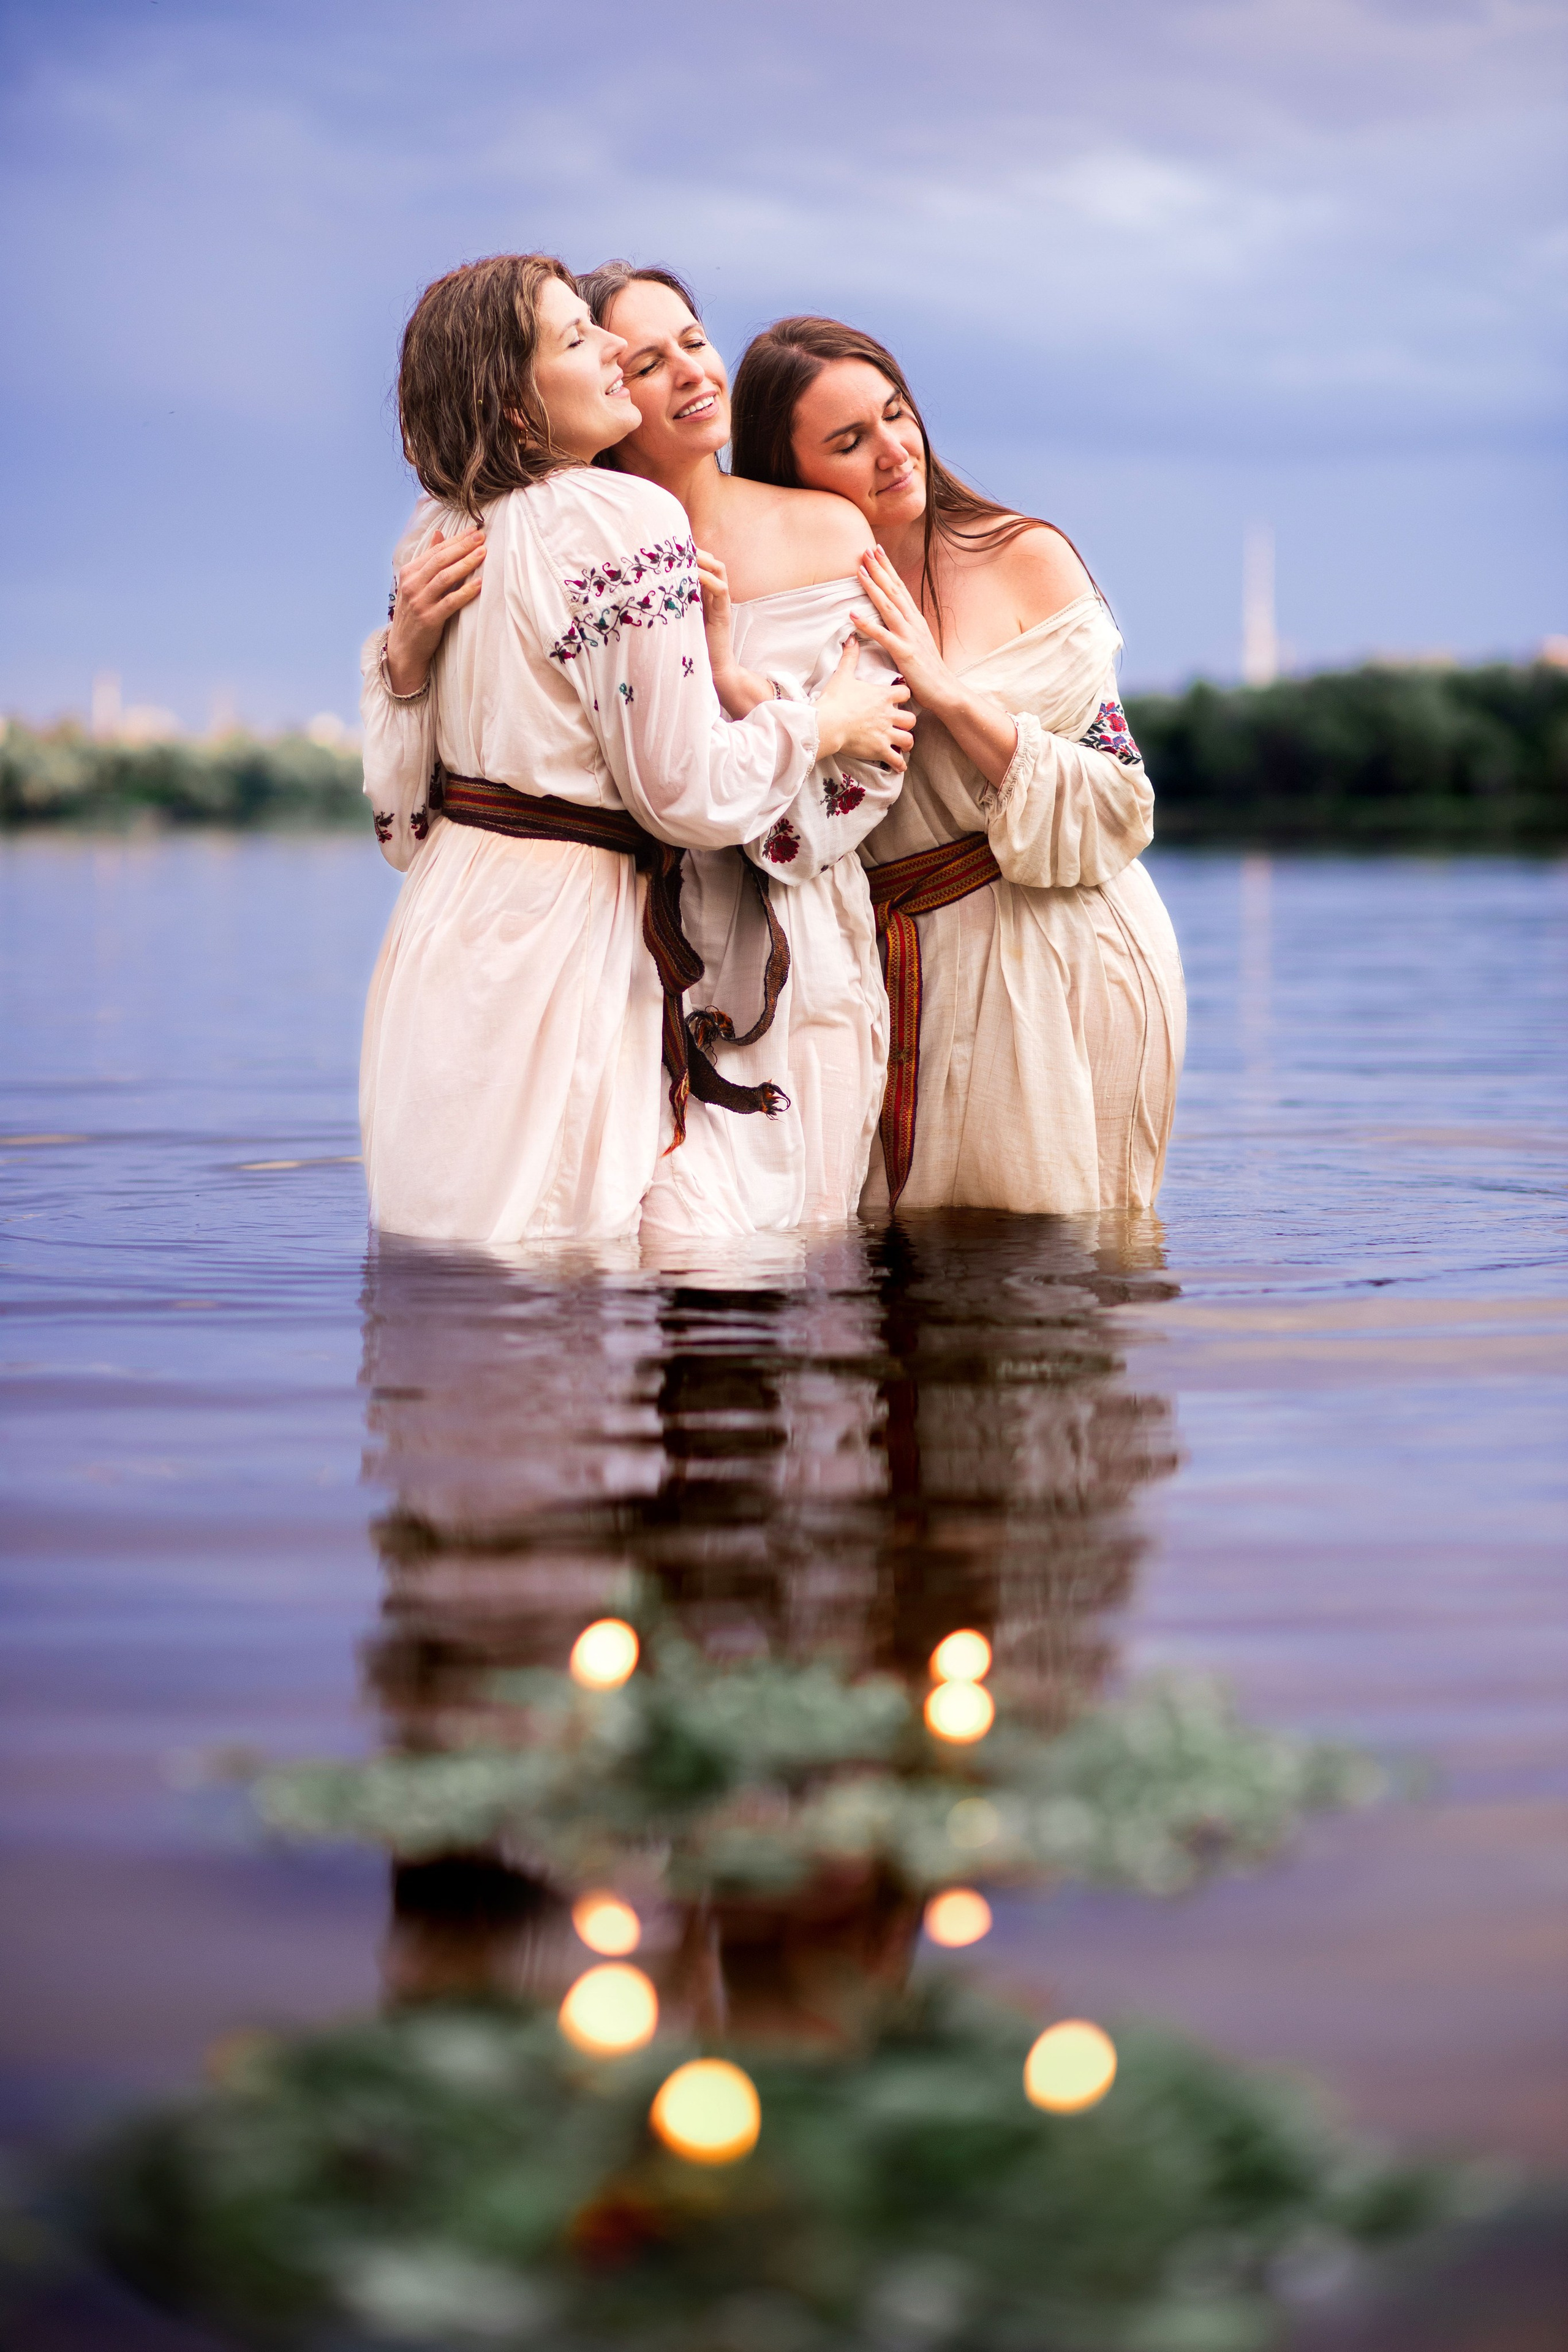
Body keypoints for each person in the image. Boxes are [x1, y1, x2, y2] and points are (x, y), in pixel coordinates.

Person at [358, 258, 909, 1246]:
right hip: (575, 932)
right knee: (576, 1268)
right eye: (597, 343)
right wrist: (816, 724)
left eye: (689, 341)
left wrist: (398, 671)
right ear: (518, 406)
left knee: (451, 1261)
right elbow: (685, 796)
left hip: (444, 933)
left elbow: (401, 830)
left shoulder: (435, 530)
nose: (629, 359)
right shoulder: (627, 524)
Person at [730, 317, 1186, 1217]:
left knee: (1056, 1279)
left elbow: (1120, 801)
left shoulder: (1024, 555)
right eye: (849, 440)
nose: (895, 451)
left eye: (897, 414)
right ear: (789, 475)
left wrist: (947, 695)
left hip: (1068, 955)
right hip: (896, 968)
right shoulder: (784, 605)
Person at [575, 261, 905, 1233]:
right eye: (646, 362)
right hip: (628, 943)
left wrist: (731, 686)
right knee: (648, 1250)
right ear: (601, 392)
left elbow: (874, 758)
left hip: (798, 943)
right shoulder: (591, 555)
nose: (689, 371)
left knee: (792, 1270)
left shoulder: (826, 529)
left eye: (692, 339)